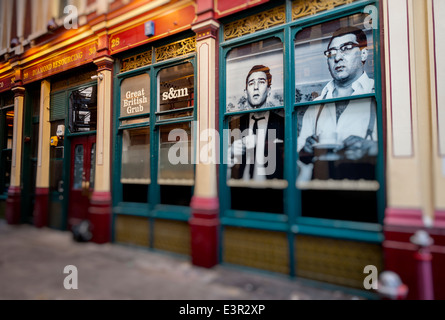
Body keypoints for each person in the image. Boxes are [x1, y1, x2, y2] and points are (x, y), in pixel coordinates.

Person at [297, 26, 378, 181]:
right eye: (332, 52)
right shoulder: (316, 105)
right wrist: (304, 151)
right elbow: (297, 163)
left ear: (363, 53)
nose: (337, 57)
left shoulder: (379, 94)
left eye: (346, 48)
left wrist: (373, 149)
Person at [228, 65, 284, 181]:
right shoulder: (234, 124)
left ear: (269, 90)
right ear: (245, 92)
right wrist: (230, 152)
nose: (256, 87)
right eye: (251, 83)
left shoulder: (282, 123)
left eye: (261, 82)